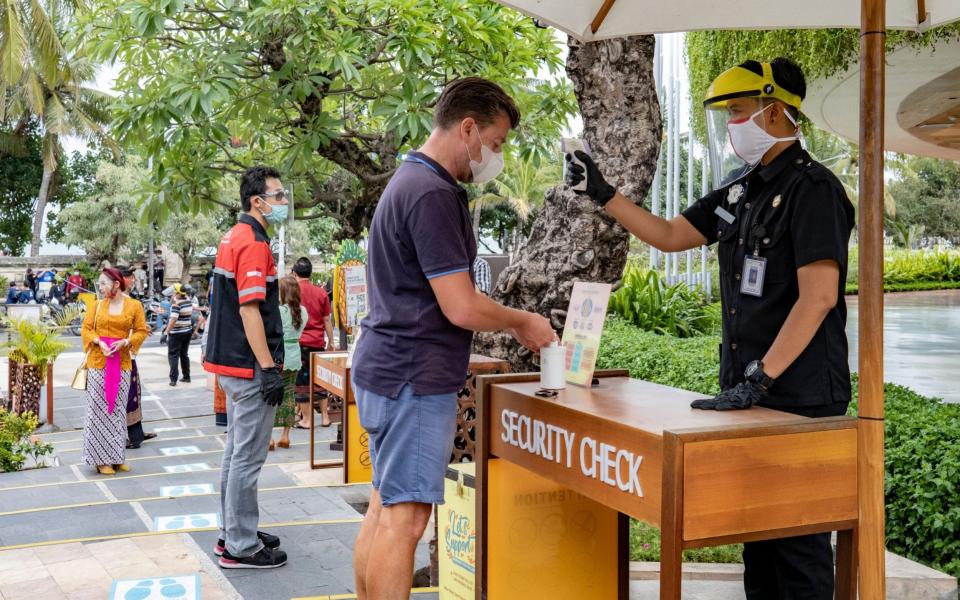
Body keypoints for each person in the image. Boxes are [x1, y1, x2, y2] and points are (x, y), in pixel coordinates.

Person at [566, 58, 854, 600]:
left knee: (797, 546)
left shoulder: (813, 190)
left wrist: (760, 379)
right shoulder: (740, 189)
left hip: (800, 398)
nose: (732, 124)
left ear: (774, 112)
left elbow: (819, 299)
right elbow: (672, 235)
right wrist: (604, 194)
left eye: (740, 111)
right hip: (751, 395)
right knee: (758, 544)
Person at [350, 77, 556, 599]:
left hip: (387, 368)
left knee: (383, 508)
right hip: (414, 378)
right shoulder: (433, 193)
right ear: (468, 129)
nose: (497, 156)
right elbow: (460, 305)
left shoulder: (408, 181)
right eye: (498, 142)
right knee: (407, 521)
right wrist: (521, 321)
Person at [204, 165, 288, 569]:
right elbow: (250, 308)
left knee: (236, 454)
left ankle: (233, 532)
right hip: (249, 366)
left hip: (230, 364)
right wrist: (270, 368)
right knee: (247, 459)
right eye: (278, 195)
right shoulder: (253, 242)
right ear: (258, 202)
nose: (283, 202)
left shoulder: (232, 235)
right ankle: (241, 545)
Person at [80, 268, 149, 475]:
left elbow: (141, 330)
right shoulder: (97, 305)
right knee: (98, 411)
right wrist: (98, 341)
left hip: (122, 363)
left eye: (103, 284)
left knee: (118, 410)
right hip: (98, 363)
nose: (100, 288)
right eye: (99, 284)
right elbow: (85, 329)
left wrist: (127, 342)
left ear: (116, 284)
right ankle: (100, 460)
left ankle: (117, 457)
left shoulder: (134, 305)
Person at [291, 257, 334, 428]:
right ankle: (325, 417)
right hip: (318, 343)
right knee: (320, 380)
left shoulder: (292, 292)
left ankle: (307, 420)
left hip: (300, 343)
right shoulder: (321, 292)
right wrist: (331, 341)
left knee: (302, 383)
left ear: (295, 273)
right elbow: (327, 320)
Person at [118, 266, 157, 449]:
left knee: (133, 393)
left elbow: (134, 327)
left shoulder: (131, 302)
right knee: (126, 395)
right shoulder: (113, 303)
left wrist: (139, 330)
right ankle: (131, 436)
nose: (133, 280)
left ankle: (136, 433)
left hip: (128, 354)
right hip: (116, 356)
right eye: (130, 277)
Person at [270, 276, 308, 451]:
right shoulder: (302, 311)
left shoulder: (278, 311)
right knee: (289, 395)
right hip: (294, 355)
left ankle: (269, 438)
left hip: (278, 356)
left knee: (270, 397)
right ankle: (285, 436)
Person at [164, 284, 194, 386]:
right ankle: (186, 377)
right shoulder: (189, 300)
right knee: (184, 354)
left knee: (173, 355)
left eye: (173, 292)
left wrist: (166, 332)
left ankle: (173, 380)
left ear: (177, 293)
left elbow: (173, 320)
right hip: (187, 331)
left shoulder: (177, 305)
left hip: (176, 333)